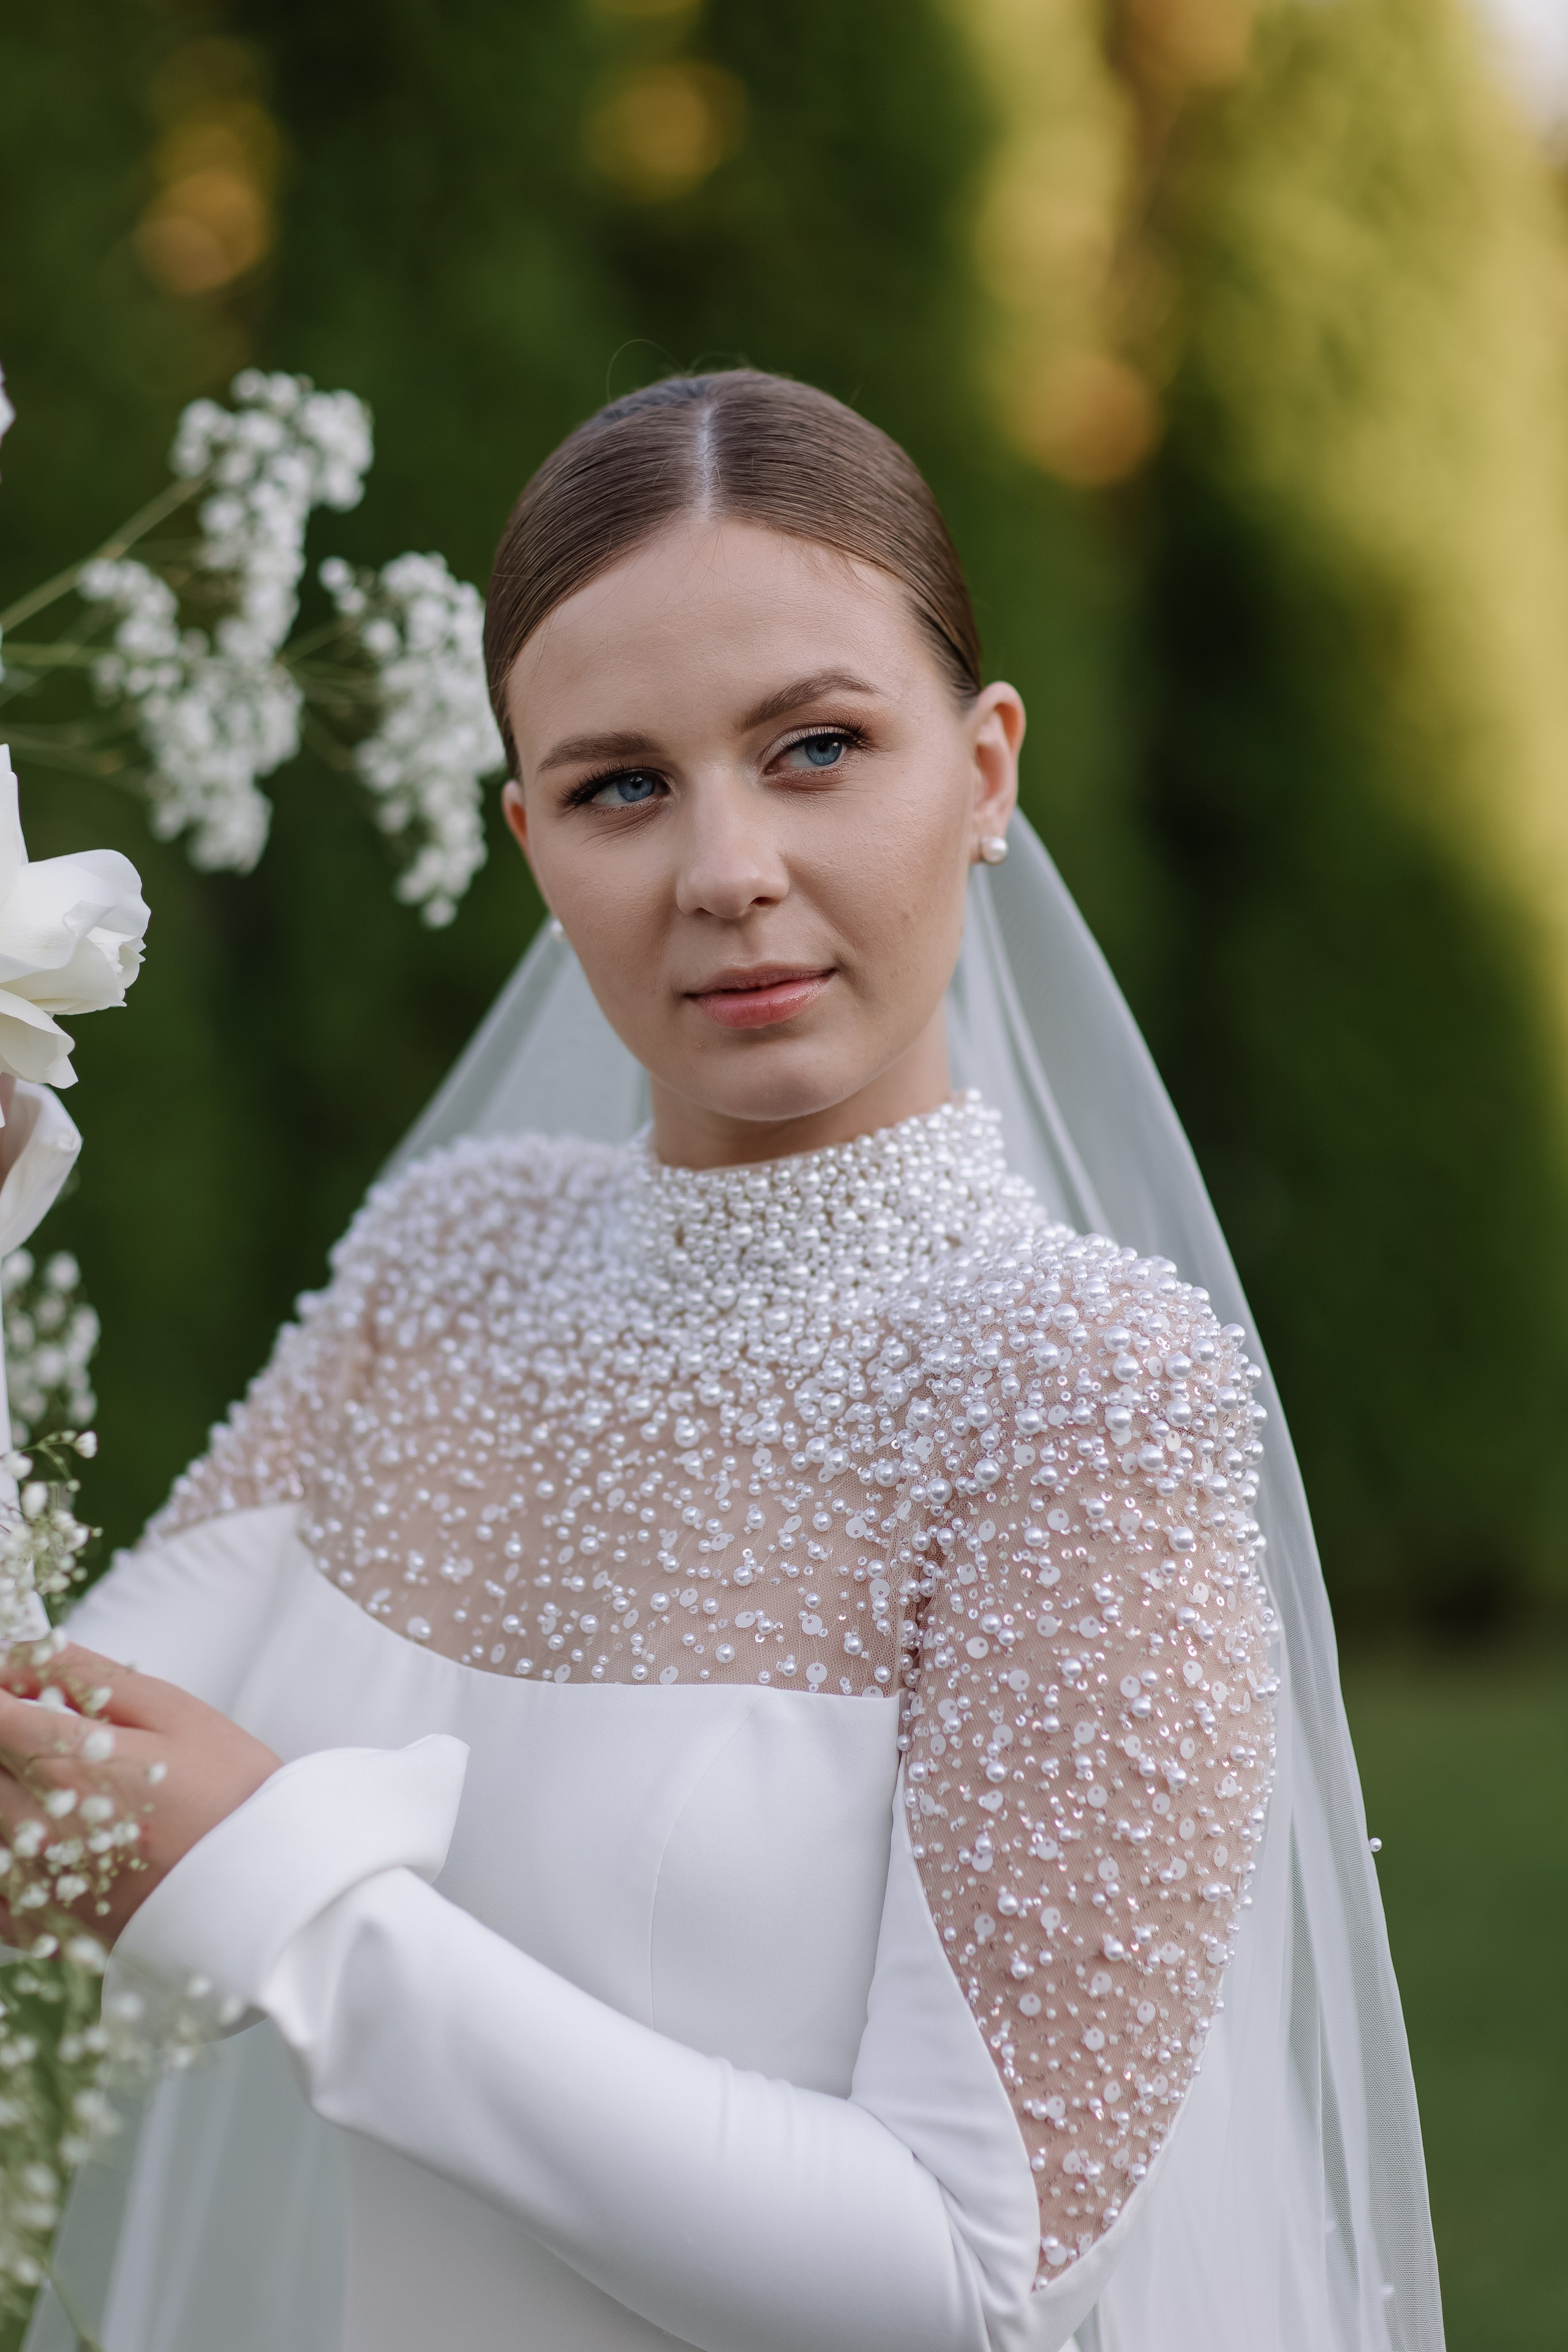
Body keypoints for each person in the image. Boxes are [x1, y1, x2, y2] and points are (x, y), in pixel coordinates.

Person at [0, 374, 1442, 2352]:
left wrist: (304, 1910)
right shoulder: (455, 1261)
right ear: (527, 835)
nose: (726, 868)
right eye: (620, 786)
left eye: (819, 747)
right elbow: (54, 1755)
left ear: (988, 764)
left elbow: (964, 2275)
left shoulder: (1077, 1405)